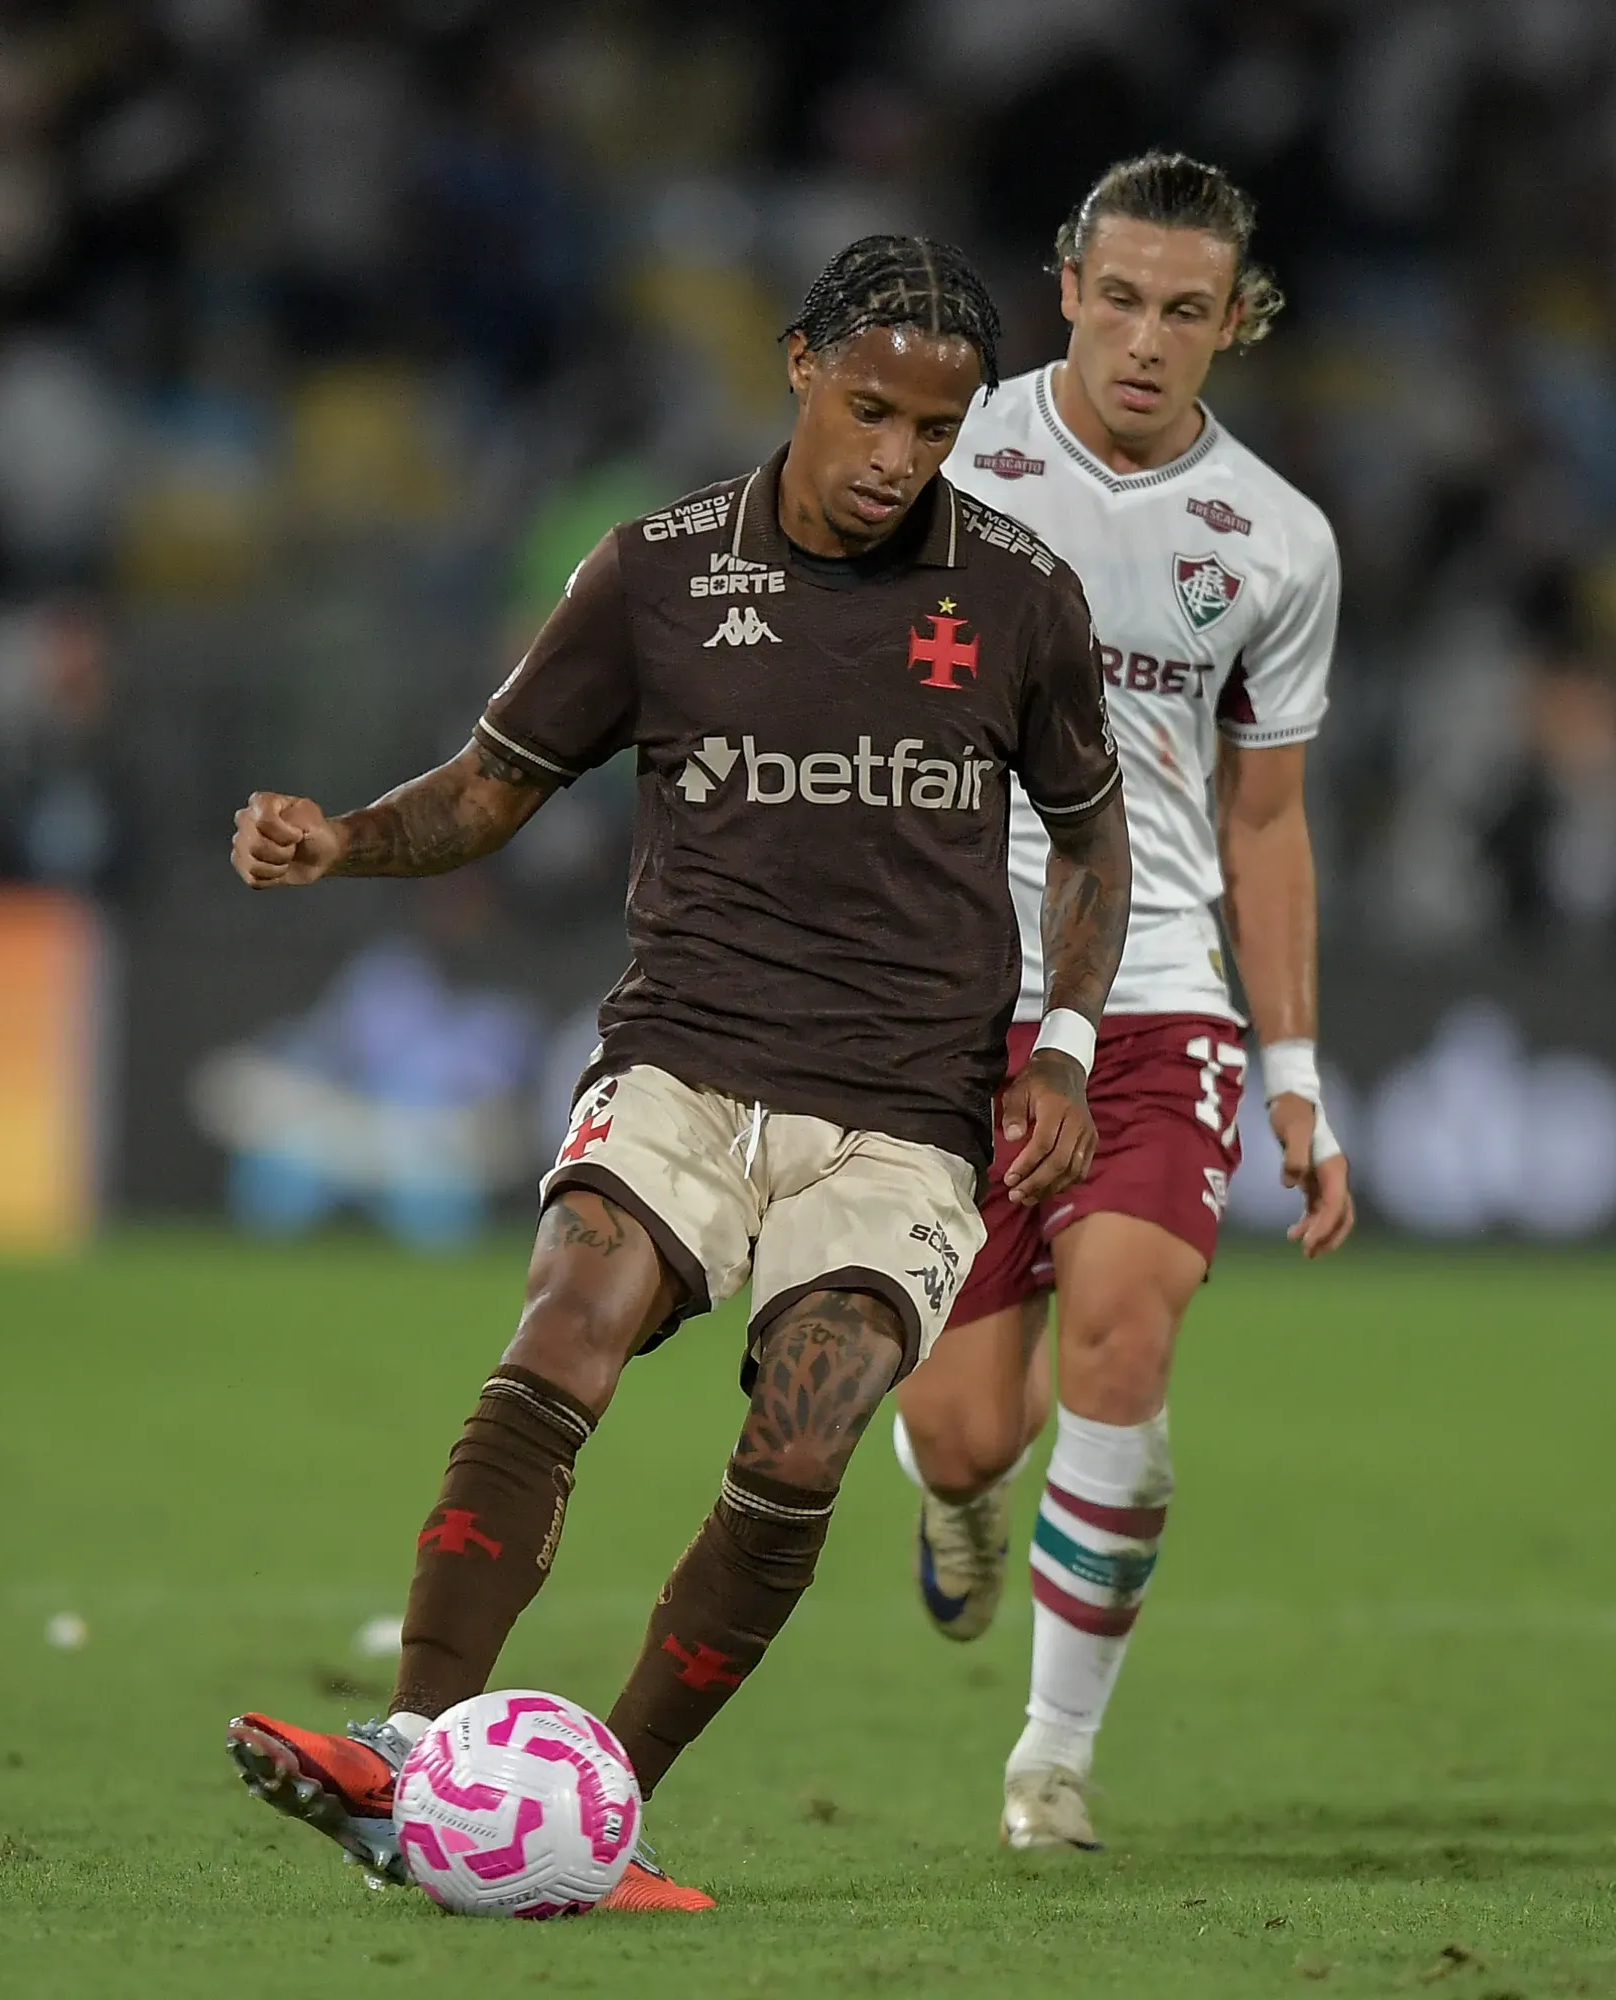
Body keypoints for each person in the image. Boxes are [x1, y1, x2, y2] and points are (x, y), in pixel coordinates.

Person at [219, 236, 1131, 1911]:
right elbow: (492, 791)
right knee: (569, 1311)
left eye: (931, 434)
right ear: (798, 365)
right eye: (868, 413)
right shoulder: (653, 572)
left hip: (907, 1111)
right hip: (688, 1058)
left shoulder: (1018, 595)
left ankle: (593, 1812)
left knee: (810, 1427)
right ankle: (413, 1756)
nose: (892, 461)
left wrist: (1061, 1049)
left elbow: (1091, 841)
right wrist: (343, 839)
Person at [886, 153, 1353, 1854]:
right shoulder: (944, 451)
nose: (1146, 340)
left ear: (1236, 322)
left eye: (1188, 310)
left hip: (1158, 995)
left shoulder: (1280, 543)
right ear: (1066, 281)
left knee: (1127, 1334)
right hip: (950, 1004)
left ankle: (1050, 1764)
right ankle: (955, 1503)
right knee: (957, 1424)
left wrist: (1296, 1071)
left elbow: (1268, 816)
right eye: (1121, 297)